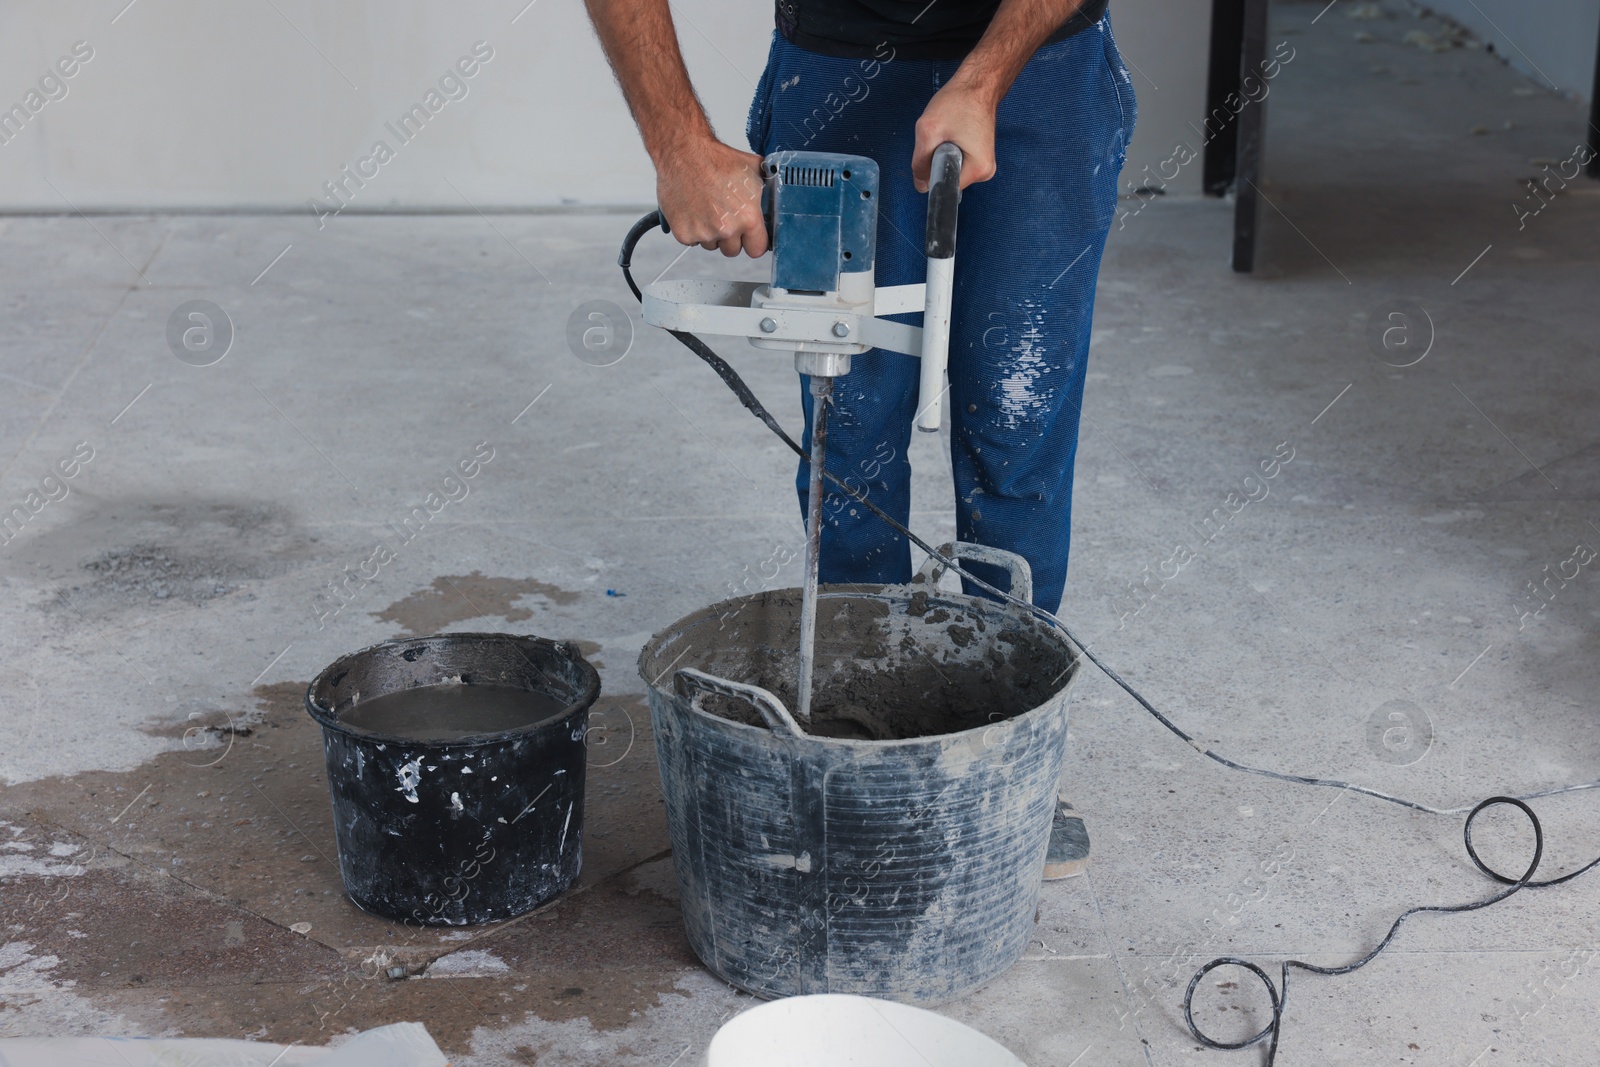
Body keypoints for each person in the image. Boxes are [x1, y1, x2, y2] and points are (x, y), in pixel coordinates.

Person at [586, 0, 1136, 878]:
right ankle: (859, 737)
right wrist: (677, 143)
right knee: (851, 436)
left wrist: (985, 77)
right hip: (839, 63)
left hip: (1040, 67)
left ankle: (995, 754)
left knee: (1016, 425)